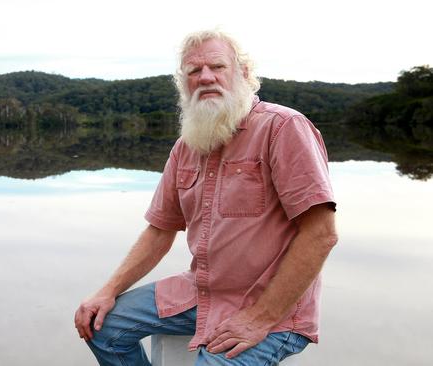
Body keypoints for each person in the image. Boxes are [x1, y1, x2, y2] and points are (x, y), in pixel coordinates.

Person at [74, 29, 338, 366]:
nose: (206, 77)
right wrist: (107, 291)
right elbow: (159, 230)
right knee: (102, 326)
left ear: (243, 73)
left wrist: (260, 317)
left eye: (217, 66)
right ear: (183, 83)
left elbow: (321, 234)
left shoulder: (283, 127)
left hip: (273, 310)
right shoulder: (186, 146)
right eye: (194, 71)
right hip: (203, 293)